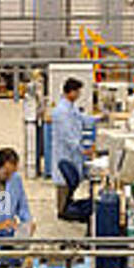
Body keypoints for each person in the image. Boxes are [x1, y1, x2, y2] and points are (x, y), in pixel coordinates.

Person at [51, 77, 94, 214]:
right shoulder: (61, 111)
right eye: (78, 92)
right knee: (64, 181)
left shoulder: (71, 107)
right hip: (65, 152)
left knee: (71, 181)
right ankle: (62, 210)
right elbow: (68, 137)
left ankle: (67, 205)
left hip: (72, 151)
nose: (79, 95)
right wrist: (83, 150)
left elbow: (82, 118)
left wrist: (98, 119)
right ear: (71, 92)